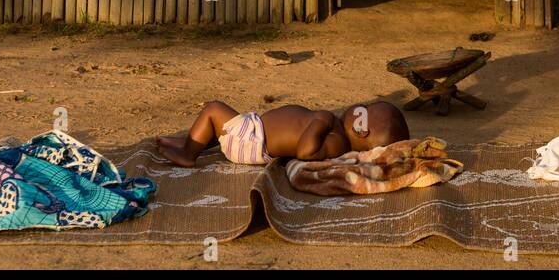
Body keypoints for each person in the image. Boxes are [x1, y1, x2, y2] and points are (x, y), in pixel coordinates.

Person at [157, 100, 409, 168]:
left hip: (253, 141)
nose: (361, 107)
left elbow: (306, 152)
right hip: (254, 131)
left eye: (366, 110)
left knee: (214, 108)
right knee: (221, 124)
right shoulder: (335, 129)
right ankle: (193, 141)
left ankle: (189, 153)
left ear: (361, 129)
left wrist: (318, 122)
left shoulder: (335, 141)